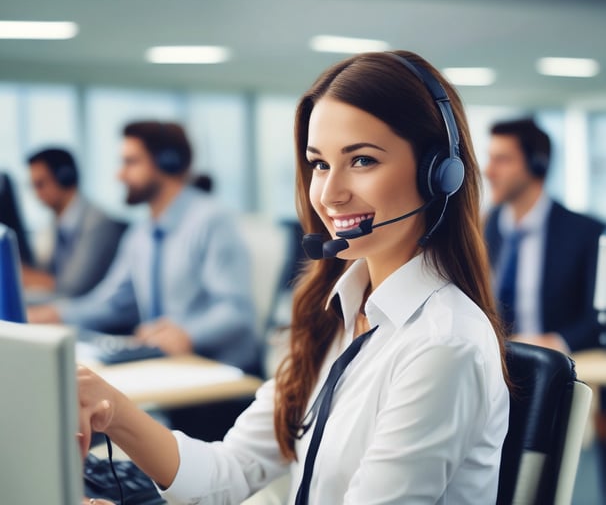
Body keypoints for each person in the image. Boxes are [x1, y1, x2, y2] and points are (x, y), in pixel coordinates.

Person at [77, 51, 509, 504]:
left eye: (362, 160)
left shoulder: (443, 345)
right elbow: (225, 475)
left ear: (439, 174)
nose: (329, 193)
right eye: (319, 164)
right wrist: (109, 407)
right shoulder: (337, 316)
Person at [28, 122, 258, 373]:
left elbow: (237, 311)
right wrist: (56, 315)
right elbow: (112, 303)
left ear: (167, 163)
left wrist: (188, 334)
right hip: (168, 367)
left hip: (220, 372)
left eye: (131, 162)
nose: (120, 175)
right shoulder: (141, 234)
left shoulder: (212, 221)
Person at [483, 118, 603, 353]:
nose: (489, 171)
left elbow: (597, 319)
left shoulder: (587, 233)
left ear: (537, 164)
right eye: (490, 158)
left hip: (563, 367)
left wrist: (554, 343)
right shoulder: (486, 227)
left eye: (503, 160)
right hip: (497, 366)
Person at [21, 148, 126, 298]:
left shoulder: (97, 223)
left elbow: (72, 289)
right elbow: (45, 272)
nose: (36, 194)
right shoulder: (52, 224)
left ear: (65, 177)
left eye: (40, 184)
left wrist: (27, 276)